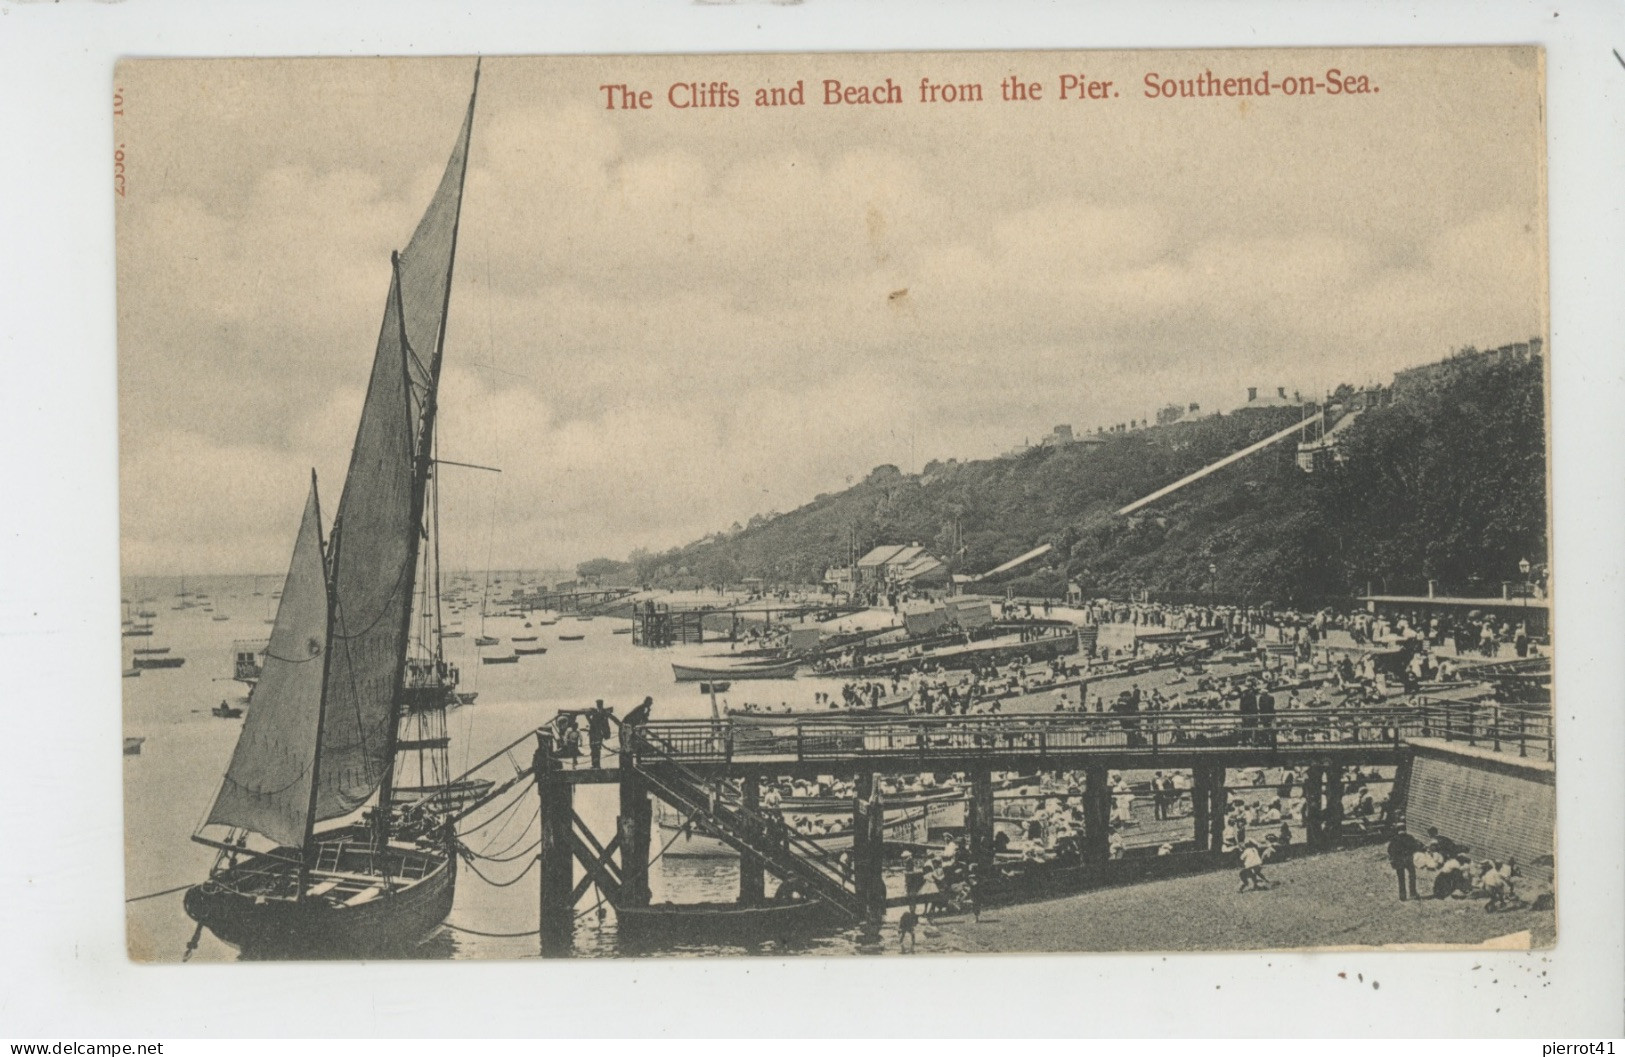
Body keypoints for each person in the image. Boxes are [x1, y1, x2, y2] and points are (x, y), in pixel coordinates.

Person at [1386, 823, 1423, 900]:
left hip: (1398, 861)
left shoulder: (1394, 839)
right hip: (1408, 860)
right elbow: (1415, 847)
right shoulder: (1410, 837)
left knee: (1401, 878)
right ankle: (1413, 893)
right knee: (1412, 875)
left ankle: (1402, 896)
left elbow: (1390, 850)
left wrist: (1393, 859)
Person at [586, 699, 613, 769]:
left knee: (597, 749)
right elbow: (591, 722)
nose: (598, 705)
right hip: (593, 733)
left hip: (598, 733)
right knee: (593, 748)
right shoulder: (595, 712)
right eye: (598, 704)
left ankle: (597, 764)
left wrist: (606, 733)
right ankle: (594, 764)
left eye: (599, 704)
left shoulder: (603, 713)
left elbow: (605, 724)